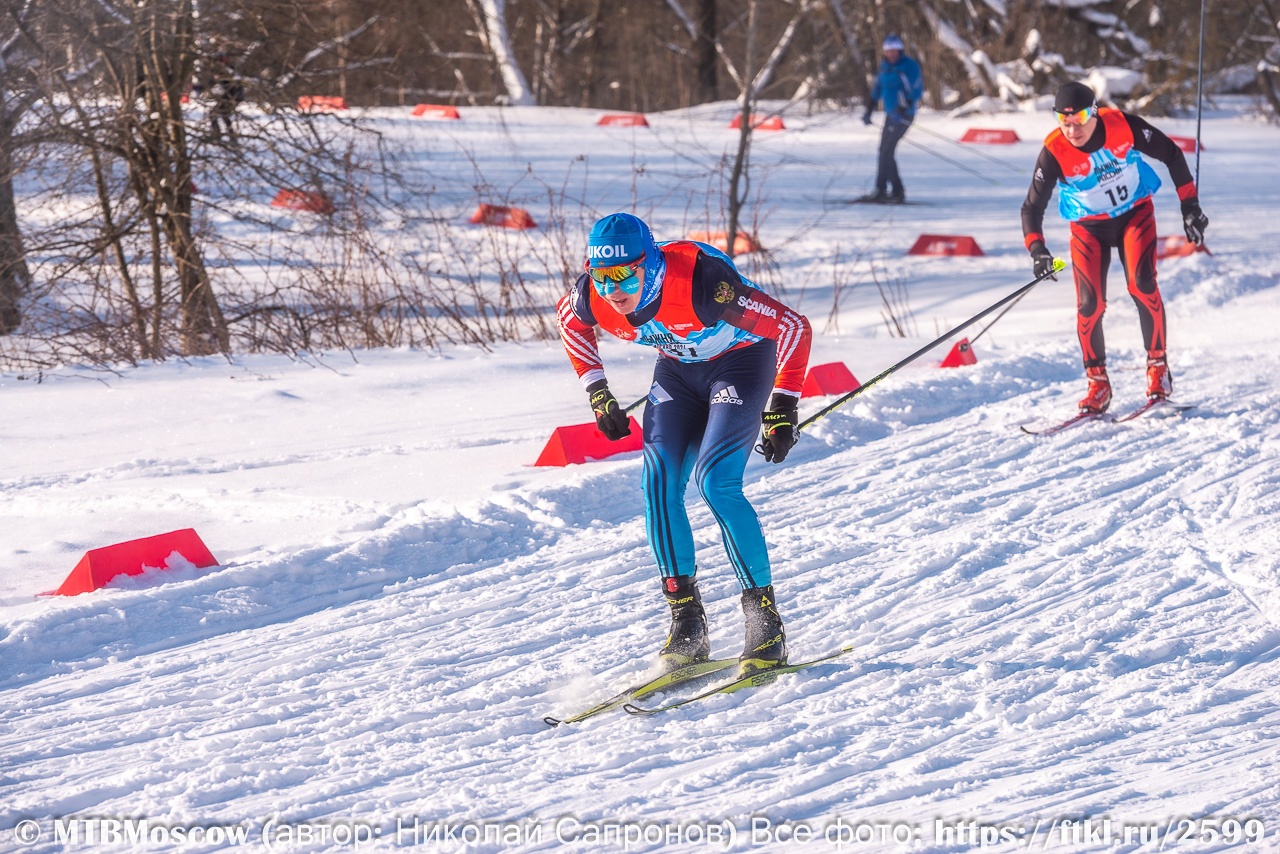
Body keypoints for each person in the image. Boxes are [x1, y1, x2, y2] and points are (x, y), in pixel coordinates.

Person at [557, 213, 812, 677]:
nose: (613, 288)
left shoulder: (703, 285)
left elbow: (793, 328)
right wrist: (597, 390)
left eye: (624, 274)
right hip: (677, 372)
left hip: (739, 363)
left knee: (715, 483)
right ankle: (687, 622)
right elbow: (568, 323)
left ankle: (764, 621)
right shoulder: (591, 295)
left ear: (650, 263)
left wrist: (783, 406)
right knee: (657, 482)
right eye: (601, 275)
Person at [1021, 81, 1210, 413]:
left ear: (1093, 111)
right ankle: (1098, 385)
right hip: (1087, 229)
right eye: (1062, 119)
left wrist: (1189, 206)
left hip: (1134, 216)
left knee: (1143, 286)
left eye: (1078, 117)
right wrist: (1038, 250)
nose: (1071, 127)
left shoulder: (1123, 126)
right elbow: (1031, 209)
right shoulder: (1054, 151)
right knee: (1089, 305)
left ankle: (1157, 370)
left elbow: (1171, 153)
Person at [860, 34, 924, 203]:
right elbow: (877, 89)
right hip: (890, 115)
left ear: (900, 50)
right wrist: (869, 110)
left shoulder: (909, 66)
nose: (891, 54)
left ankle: (890, 190)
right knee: (884, 151)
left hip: (904, 115)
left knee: (886, 151)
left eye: (894, 50)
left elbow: (916, 89)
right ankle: (889, 190)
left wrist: (902, 109)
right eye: (888, 51)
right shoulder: (884, 67)